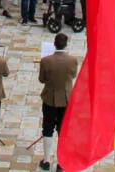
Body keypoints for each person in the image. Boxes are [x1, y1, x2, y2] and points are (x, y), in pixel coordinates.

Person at [37, 32, 79, 171]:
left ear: (54, 44)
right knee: (63, 130)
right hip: (66, 99)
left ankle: (46, 160)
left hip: (50, 98)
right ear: (66, 44)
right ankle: (61, 162)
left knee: (47, 128)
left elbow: (42, 79)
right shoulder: (72, 60)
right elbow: (73, 75)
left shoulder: (46, 61)